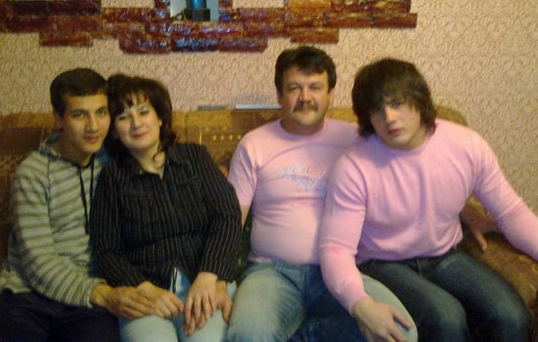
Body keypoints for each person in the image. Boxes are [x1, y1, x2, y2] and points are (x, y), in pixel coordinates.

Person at [319, 57, 537, 341]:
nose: (389, 117)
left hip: (445, 254)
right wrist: (360, 304)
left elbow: (511, 212)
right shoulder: (353, 166)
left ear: (420, 101)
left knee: (511, 316)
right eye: (377, 109)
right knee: (446, 318)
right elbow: (336, 249)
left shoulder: (467, 145)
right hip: (382, 263)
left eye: (398, 103)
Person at [226, 46, 417, 342]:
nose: (305, 97)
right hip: (271, 273)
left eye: (315, 87)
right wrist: (217, 276)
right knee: (248, 336)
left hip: (341, 273)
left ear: (331, 94)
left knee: (401, 332)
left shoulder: (356, 140)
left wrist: (466, 210)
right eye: (294, 88)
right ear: (279, 95)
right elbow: (229, 220)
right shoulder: (254, 145)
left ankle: (302, 335)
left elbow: (410, 170)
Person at [0, 68, 156, 342]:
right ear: (59, 119)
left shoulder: (114, 162)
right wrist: (103, 294)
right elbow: (39, 263)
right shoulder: (33, 173)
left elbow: (160, 161)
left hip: (88, 308)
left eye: (101, 112)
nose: (93, 127)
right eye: (79, 115)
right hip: (27, 298)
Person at [89, 74, 242, 342]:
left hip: (203, 281)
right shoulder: (111, 179)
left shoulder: (195, 157)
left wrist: (210, 275)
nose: (136, 123)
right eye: (124, 117)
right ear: (114, 130)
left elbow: (227, 216)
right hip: (145, 294)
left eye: (143, 111)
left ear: (160, 117)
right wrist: (145, 289)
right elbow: (106, 250)